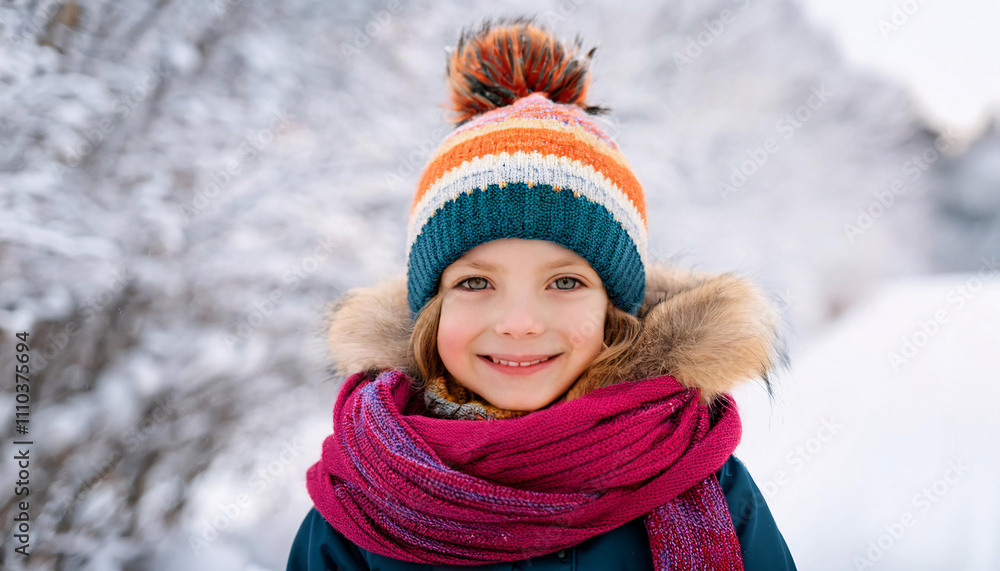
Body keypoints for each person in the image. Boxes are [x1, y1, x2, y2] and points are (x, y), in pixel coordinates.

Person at [287, 15, 796, 571]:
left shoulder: (703, 485)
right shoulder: (361, 507)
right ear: (429, 308)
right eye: (476, 282)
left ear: (613, 309)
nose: (520, 322)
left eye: (566, 282)